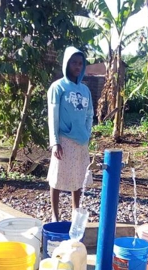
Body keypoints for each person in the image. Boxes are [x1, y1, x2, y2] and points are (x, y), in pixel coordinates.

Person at [47, 46, 93, 222]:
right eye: (74, 62)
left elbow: (90, 114)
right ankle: (55, 215)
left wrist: (87, 133)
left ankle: (76, 211)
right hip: (64, 140)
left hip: (81, 141)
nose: (77, 66)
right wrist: (55, 142)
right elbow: (53, 116)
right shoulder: (57, 87)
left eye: (80, 63)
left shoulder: (85, 90)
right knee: (57, 177)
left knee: (78, 176)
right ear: (67, 63)